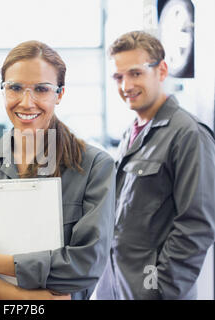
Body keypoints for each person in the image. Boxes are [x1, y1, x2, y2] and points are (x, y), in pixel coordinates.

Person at [0, 40, 116, 300]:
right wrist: (28, 299)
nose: (27, 102)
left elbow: (87, 263)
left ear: (59, 94)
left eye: (42, 89)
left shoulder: (95, 167)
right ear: (3, 90)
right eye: (15, 88)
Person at [96, 31, 215, 300]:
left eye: (135, 73)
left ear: (161, 70)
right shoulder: (132, 132)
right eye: (118, 77)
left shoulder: (188, 134)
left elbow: (196, 226)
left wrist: (159, 289)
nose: (126, 85)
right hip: (116, 286)